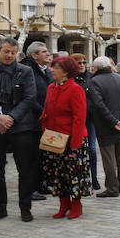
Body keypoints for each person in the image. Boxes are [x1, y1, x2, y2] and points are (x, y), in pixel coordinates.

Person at [0, 38, 39, 223]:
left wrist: (10, 118)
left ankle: (25, 207)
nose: (10, 55)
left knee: (25, 170)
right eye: (6, 51)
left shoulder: (25, 71)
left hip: (20, 126)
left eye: (13, 52)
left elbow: (29, 97)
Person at [38, 56, 91, 219]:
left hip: (73, 139)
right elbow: (47, 111)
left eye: (56, 68)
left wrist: (75, 142)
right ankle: (63, 204)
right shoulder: (51, 88)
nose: (52, 70)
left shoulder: (75, 89)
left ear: (66, 72)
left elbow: (79, 117)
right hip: (54, 138)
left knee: (73, 173)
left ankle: (76, 205)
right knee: (58, 173)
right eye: (52, 67)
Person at [89, 56, 120, 198]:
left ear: (96, 68)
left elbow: (99, 104)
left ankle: (112, 188)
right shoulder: (119, 77)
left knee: (109, 158)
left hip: (106, 123)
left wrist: (112, 120)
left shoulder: (95, 81)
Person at [22, 41, 53, 201]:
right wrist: (44, 112)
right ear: (34, 55)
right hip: (33, 121)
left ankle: (42, 183)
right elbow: (29, 97)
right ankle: (31, 188)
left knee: (43, 155)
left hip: (45, 121)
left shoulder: (47, 71)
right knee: (32, 157)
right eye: (44, 52)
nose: (48, 54)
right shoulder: (28, 70)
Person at [71, 53, 100, 190]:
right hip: (75, 120)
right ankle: (80, 177)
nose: (82, 65)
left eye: (84, 62)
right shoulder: (70, 80)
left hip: (90, 118)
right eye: (79, 63)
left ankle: (94, 177)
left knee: (92, 149)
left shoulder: (92, 78)